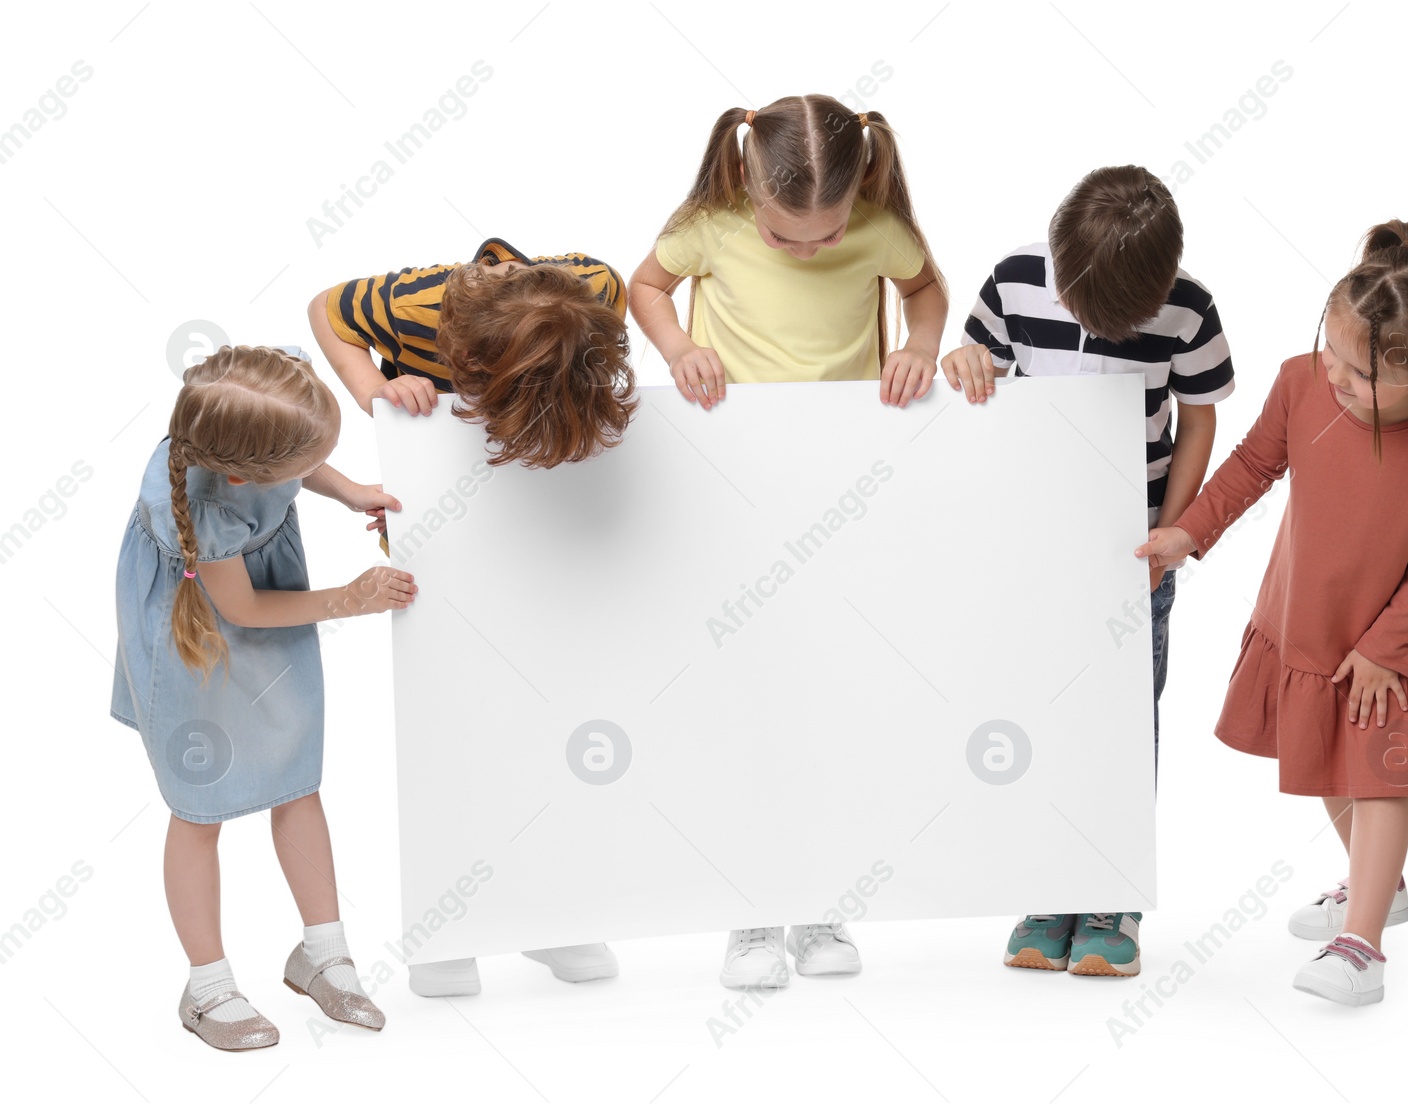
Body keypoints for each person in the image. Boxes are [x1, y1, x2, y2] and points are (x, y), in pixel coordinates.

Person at [1137, 220, 1408, 1005]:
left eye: (1362, 373)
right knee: (1328, 766)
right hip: (1308, 618)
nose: (1338, 379)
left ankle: (1363, 946)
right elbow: (1252, 464)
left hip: (1394, 643)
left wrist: (1386, 646)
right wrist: (1189, 530)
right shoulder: (1301, 380)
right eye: (1333, 355)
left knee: (1378, 780)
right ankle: (1381, 887)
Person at [629, 94, 949, 987]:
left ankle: (821, 903)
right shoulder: (713, 223)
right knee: (747, 699)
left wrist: (919, 344)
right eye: (787, 238)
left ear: (861, 192)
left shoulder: (878, 228)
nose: (811, 250)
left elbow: (926, 288)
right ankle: (750, 914)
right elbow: (643, 284)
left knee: (833, 694)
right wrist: (673, 350)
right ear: (744, 180)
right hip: (731, 490)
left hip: (839, 495)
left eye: (827, 235)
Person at [308, 241, 637, 996]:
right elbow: (326, 308)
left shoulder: (595, 294)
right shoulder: (415, 302)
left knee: (566, 725)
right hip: (447, 536)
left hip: (549, 527)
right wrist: (374, 390)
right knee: (455, 727)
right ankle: (448, 928)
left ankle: (553, 914)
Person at [943, 165, 1234, 977]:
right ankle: (1049, 885)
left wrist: (1174, 529)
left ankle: (1110, 893)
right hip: (1035, 548)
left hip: (1132, 552)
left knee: (1121, 719)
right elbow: (975, 369)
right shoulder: (1016, 279)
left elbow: (1201, 415)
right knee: (1036, 713)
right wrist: (963, 364)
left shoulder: (1189, 306)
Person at [112, 345, 417, 1050]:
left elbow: (301, 455)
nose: (311, 466)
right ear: (244, 473)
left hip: (265, 600)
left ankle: (322, 950)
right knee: (199, 805)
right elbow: (243, 609)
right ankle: (207, 984)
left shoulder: (257, 414)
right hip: (200, 629)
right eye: (301, 462)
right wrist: (349, 598)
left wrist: (349, 490)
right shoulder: (203, 507)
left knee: (295, 775)